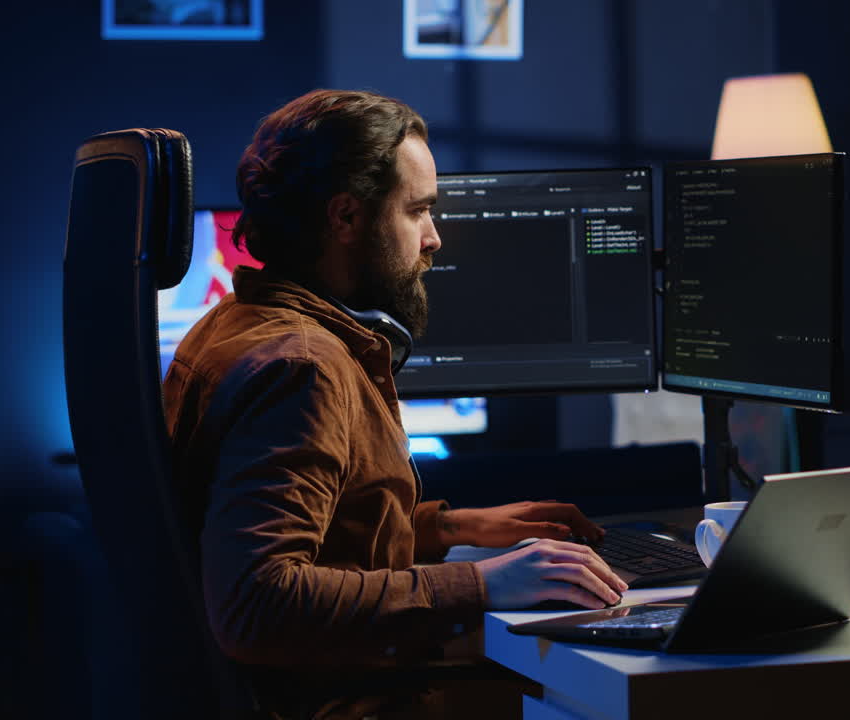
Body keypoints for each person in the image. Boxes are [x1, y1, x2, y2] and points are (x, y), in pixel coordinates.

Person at [162, 89, 628, 719]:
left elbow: (313, 539)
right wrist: (486, 583)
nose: (434, 239)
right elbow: (255, 604)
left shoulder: (236, 322)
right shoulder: (305, 367)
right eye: (418, 212)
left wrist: (450, 528)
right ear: (346, 218)